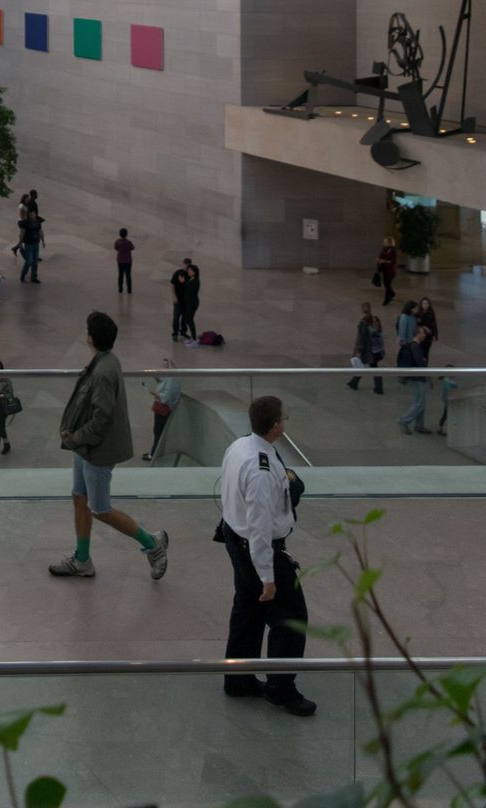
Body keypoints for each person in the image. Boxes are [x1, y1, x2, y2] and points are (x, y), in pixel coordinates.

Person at [49, 312, 167, 581]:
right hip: (86, 448)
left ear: (91, 337)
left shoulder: (103, 371)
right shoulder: (106, 360)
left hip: (97, 450)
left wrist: (76, 437)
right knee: (79, 498)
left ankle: (153, 544)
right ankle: (82, 560)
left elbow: (102, 418)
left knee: (100, 509)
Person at [217, 395, 314, 715]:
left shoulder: (241, 445)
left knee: (248, 610)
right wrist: (268, 578)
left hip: (235, 537)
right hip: (258, 549)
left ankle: (239, 679)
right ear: (275, 426)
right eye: (284, 419)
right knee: (290, 618)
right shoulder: (260, 470)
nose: (285, 423)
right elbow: (259, 529)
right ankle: (281, 688)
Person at [398, 326, 432, 433]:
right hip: (417, 378)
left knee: (420, 401)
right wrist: (428, 376)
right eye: (423, 333)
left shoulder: (412, 346)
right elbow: (421, 363)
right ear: (417, 333)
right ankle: (404, 421)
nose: (425, 335)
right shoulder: (415, 347)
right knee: (419, 402)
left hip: (414, 377)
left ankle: (419, 425)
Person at [143, 372, 181, 461]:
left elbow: (166, 397)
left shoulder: (172, 377)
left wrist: (153, 393)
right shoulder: (173, 376)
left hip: (163, 408)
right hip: (164, 407)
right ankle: (155, 452)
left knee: (158, 431)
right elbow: (164, 383)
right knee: (158, 431)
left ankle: (153, 454)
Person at [347, 303, 384, 394]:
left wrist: (359, 351)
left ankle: (378, 388)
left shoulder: (364, 322)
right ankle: (354, 383)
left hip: (368, 350)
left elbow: (362, 337)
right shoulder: (372, 319)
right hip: (374, 349)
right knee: (369, 366)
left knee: (368, 367)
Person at [19, 201, 44, 284]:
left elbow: (40, 231)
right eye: (31, 214)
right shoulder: (25, 223)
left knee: (35, 262)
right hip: (28, 244)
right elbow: (22, 233)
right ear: (29, 215)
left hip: (36, 244)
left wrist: (43, 240)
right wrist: (20, 243)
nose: (32, 215)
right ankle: (23, 275)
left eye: (33, 214)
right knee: (29, 261)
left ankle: (34, 277)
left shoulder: (38, 221)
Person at [170, 262, 191, 341]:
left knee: (185, 317)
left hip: (186, 301)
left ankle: (183, 331)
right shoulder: (177, 273)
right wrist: (174, 296)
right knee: (176, 317)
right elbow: (172, 285)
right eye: (185, 264)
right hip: (178, 300)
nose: (186, 267)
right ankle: (175, 333)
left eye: (188, 265)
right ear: (183, 264)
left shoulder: (190, 275)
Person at [182, 262, 201, 343]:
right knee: (188, 319)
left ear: (194, 272)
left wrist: (184, 283)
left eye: (190, 270)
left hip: (193, 302)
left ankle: (194, 339)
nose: (188, 272)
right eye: (188, 270)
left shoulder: (196, 281)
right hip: (189, 302)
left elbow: (191, 291)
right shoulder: (191, 279)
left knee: (189, 319)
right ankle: (193, 338)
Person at [376, 236, 398, 306]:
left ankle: (387, 300)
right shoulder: (384, 249)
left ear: (389, 243)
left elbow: (393, 261)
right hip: (384, 270)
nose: (384, 243)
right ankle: (392, 294)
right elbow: (380, 257)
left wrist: (384, 261)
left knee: (387, 284)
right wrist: (379, 260)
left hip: (390, 271)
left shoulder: (393, 250)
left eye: (385, 242)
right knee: (386, 284)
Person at [114, 228, 134, 295]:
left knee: (120, 275)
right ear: (126, 234)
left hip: (120, 261)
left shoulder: (117, 242)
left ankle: (120, 289)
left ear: (120, 234)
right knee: (128, 275)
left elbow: (116, 248)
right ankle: (129, 289)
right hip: (128, 261)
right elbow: (132, 248)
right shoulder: (129, 242)